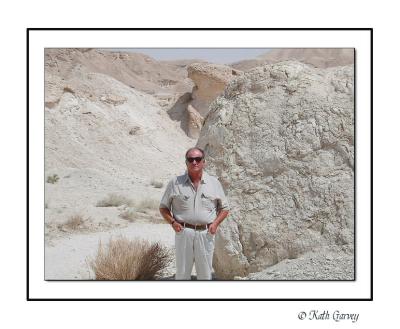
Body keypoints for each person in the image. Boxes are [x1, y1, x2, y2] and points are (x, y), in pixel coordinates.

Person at [159, 147, 229, 280]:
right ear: (186, 162)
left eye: (198, 159)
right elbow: (163, 208)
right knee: (182, 273)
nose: (194, 162)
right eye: (190, 159)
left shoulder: (214, 183)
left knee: (205, 274)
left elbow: (224, 208)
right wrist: (173, 223)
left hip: (206, 233)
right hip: (184, 232)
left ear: (204, 162)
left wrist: (215, 224)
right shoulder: (175, 183)